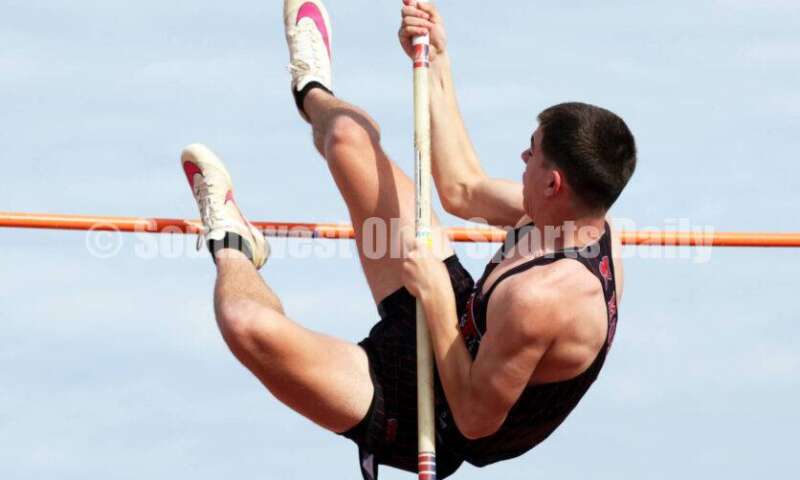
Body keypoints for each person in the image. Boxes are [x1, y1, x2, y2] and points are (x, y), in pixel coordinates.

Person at [180, 0, 636, 478]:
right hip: (458, 322)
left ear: (554, 183)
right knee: (345, 139)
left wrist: (437, 298)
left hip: (433, 415)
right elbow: (461, 187)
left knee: (244, 323)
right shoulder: (559, 213)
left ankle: (233, 245)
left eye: (534, 150)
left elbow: (475, 421)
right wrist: (438, 59)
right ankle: (310, 86)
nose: (523, 154)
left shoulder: (544, 299)